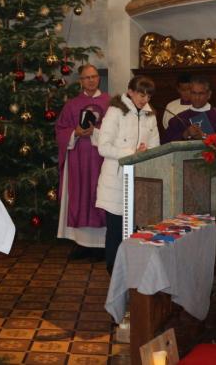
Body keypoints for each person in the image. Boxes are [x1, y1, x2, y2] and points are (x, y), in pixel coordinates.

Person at [96, 76, 161, 274]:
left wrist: (148, 153)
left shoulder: (150, 115)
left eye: (149, 95)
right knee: (116, 230)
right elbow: (103, 147)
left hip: (140, 180)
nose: (145, 99)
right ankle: (114, 271)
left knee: (137, 229)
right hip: (115, 180)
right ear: (130, 92)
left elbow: (155, 146)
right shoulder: (115, 112)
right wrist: (132, 153)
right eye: (141, 94)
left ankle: (134, 271)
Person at [56, 65, 111, 260]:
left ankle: (103, 245)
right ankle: (82, 244)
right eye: (86, 77)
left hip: (102, 160)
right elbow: (61, 130)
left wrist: (95, 132)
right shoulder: (72, 104)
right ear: (81, 80)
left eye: (94, 76)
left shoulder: (110, 102)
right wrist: (75, 133)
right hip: (78, 160)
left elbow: (118, 131)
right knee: (81, 196)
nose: (91, 80)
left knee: (101, 197)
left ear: (99, 79)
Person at [164, 75, 216, 142]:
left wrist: (204, 137)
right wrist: (184, 135)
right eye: (193, 93)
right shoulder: (178, 119)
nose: (197, 98)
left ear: (209, 94)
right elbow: (165, 144)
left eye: (201, 93)